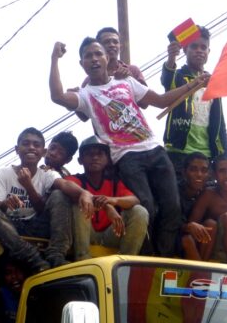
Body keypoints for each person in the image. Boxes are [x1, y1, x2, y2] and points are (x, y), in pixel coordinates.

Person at [50, 37, 209, 256]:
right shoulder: (85, 95)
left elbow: (161, 101)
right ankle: (148, 257)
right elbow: (57, 96)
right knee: (146, 208)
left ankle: (163, 258)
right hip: (126, 157)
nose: (94, 59)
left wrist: (194, 83)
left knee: (173, 208)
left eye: (98, 54)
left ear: (107, 58)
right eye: (88, 56)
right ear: (82, 64)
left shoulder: (126, 81)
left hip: (154, 149)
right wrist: (54, 59)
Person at [0, 127, 93, 268]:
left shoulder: (47, 174)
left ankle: (56, 253)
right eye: (26, 144)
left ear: (43, 152)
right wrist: (5, 203)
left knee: (59, 194)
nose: (31, 148)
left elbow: (64, 185)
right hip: (11, 227)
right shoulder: (4, 173)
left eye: (36, 145)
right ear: (17, 149)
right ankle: (31, 257)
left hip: (37, 225)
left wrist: (83, 193)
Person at [162, 25, 227, 183]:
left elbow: (220, 125)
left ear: (208, 52)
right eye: (194, 46)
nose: (199, 50)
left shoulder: (213, 83)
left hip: (206, 155)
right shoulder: (179, 76)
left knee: (205, 201)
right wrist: (171, 58)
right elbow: (167, 82)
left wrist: (226, 156)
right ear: (185, 50)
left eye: (203, 47)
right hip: (178, 152)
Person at [68, 136, 148, 259]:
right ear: (80, 160)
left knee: (140, 211)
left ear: (107, 159)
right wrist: (107, 206)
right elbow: (66, 187)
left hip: (111, 234)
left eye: (100, 154)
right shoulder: (76, 179)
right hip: (86, 234)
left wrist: (113, 200)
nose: (95, 157)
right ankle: (82, 258)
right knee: (79, 203)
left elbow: (134, 200)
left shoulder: (114, 183)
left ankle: (126, 261)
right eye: (89, 154)